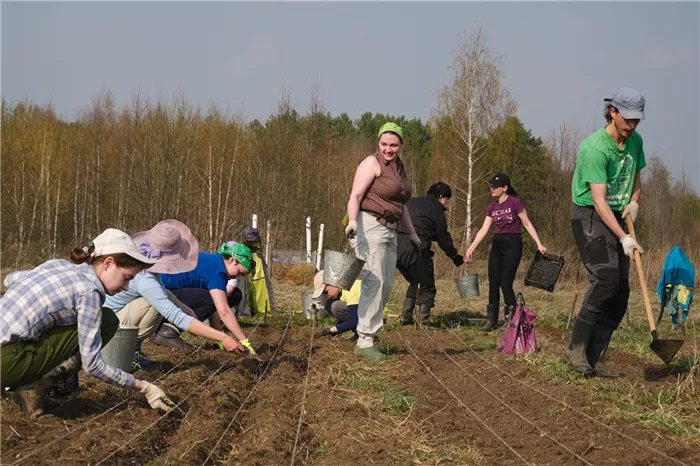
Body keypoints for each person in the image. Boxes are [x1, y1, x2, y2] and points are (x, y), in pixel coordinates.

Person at [0, 229, 173, 418]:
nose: (126, 287)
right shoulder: (88, 292)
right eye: (126, 278)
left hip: (7, 351)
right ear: (108, 263)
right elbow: (92, 366)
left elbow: (10, 279)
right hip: (7, 361)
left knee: (95, 319)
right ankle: (33, 389)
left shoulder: (57, 264)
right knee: (106, 321)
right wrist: (143, 386)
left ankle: (28, 387)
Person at [564, 88, 646, 377]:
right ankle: (575, 351)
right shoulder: (594, 148)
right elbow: (599, 201)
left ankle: (595, 355)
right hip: (589, 215)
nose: (633, 126)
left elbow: (636, 179)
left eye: (637, 121)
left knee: (621, 290)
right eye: (628, 120)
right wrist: (623, 237)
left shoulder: (635, 142)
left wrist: (634, 202)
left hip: (617, 216)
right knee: (606, 279)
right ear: (613, 112)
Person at [104, 220, 247, 371]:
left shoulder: (148, 270)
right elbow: (175, 315)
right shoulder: (145, 278)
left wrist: (188, 310)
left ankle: (132, 350)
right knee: (152, 304)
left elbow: (165, 292)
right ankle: (130, 354)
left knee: (158, 299)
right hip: (109, 329)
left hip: (114, 318)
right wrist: (222, 337)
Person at [345, 122, 420, 360]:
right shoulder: (372, 163)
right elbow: (356, 195)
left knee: (386, 286)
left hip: (391, 230)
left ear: (401, 145)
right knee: (373, 283)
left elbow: (402, 207)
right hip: (369, 226)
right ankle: (365, 340)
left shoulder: (399, 168)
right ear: (378, 143)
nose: (388, 149)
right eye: (384, 144)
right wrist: (353, 222)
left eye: (393, 145)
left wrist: (413, 234)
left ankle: (369, 337)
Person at [465, 174, 548, 331]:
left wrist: (539, 244)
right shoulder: (492, 207)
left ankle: (512, 321)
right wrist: (471, 248)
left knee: (506, 283)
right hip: (497, 244)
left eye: (495, 187)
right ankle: (492, 320)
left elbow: (527, 224)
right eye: (491, 186)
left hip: (513, 244)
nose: (491, 189)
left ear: (505, 188)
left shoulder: (515, 203)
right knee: (493, 283)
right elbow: (483, 230)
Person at [160, 242, 257, 355]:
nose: (237, 277)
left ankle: (170, 325)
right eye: (239, 272)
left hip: (168, 291)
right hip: (164, 293)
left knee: (233, 294)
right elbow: (223, 311)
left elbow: (214, 310)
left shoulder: (215, 261)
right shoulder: (218, 271)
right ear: (232, 260)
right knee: (216, 299)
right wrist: (244, 341)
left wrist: (217, 339)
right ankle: (168, 329)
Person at [397, 182, 464, 326]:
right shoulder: (436, 209)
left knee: (416, 280)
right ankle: (423, 321)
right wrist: (454, 256)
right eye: (447, 199)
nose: (446, 203)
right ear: (441, 197)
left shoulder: (412, 202)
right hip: (416, 248)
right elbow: (442, 237)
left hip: (396, 247)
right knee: (427, 284)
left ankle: (406, 316)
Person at [310, 271, 359, 338]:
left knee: (335, 305)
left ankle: (363, 335)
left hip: (374, 316)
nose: (328, 296)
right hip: (364, 314)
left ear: (332, 283)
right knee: (330, 303)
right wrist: (335, 330)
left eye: (327, 292)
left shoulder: (351, 290)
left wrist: (331, 330)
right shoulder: (343, 291)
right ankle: (358, 333)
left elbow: (355, 320)